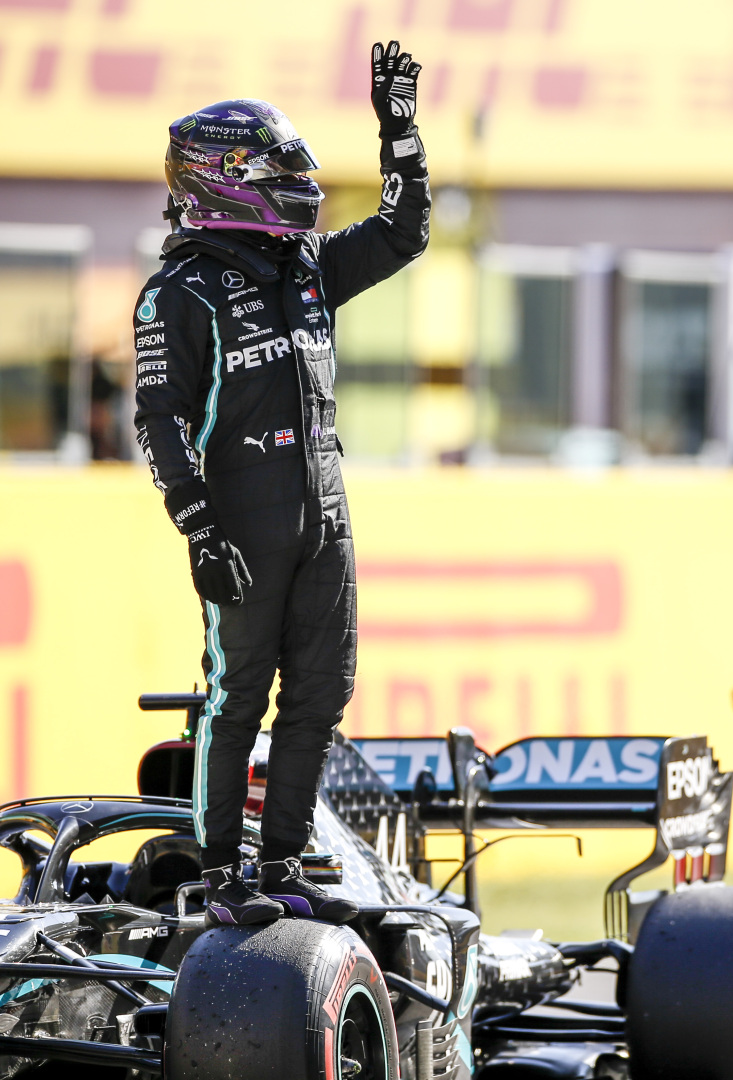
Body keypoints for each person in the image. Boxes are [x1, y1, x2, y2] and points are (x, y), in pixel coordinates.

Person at [133, 42, 429, 926]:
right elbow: (159, 422)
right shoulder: (178, 292)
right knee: (236, 696)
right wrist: (199, 530)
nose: (301, 180)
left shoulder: (306, 270)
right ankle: (219, 874)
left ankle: (282, 863)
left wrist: (401, 133)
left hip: (326, 517)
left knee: (321, 694)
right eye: (279, 167)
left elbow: (404, 232)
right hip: (243, 524)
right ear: (222, 179)